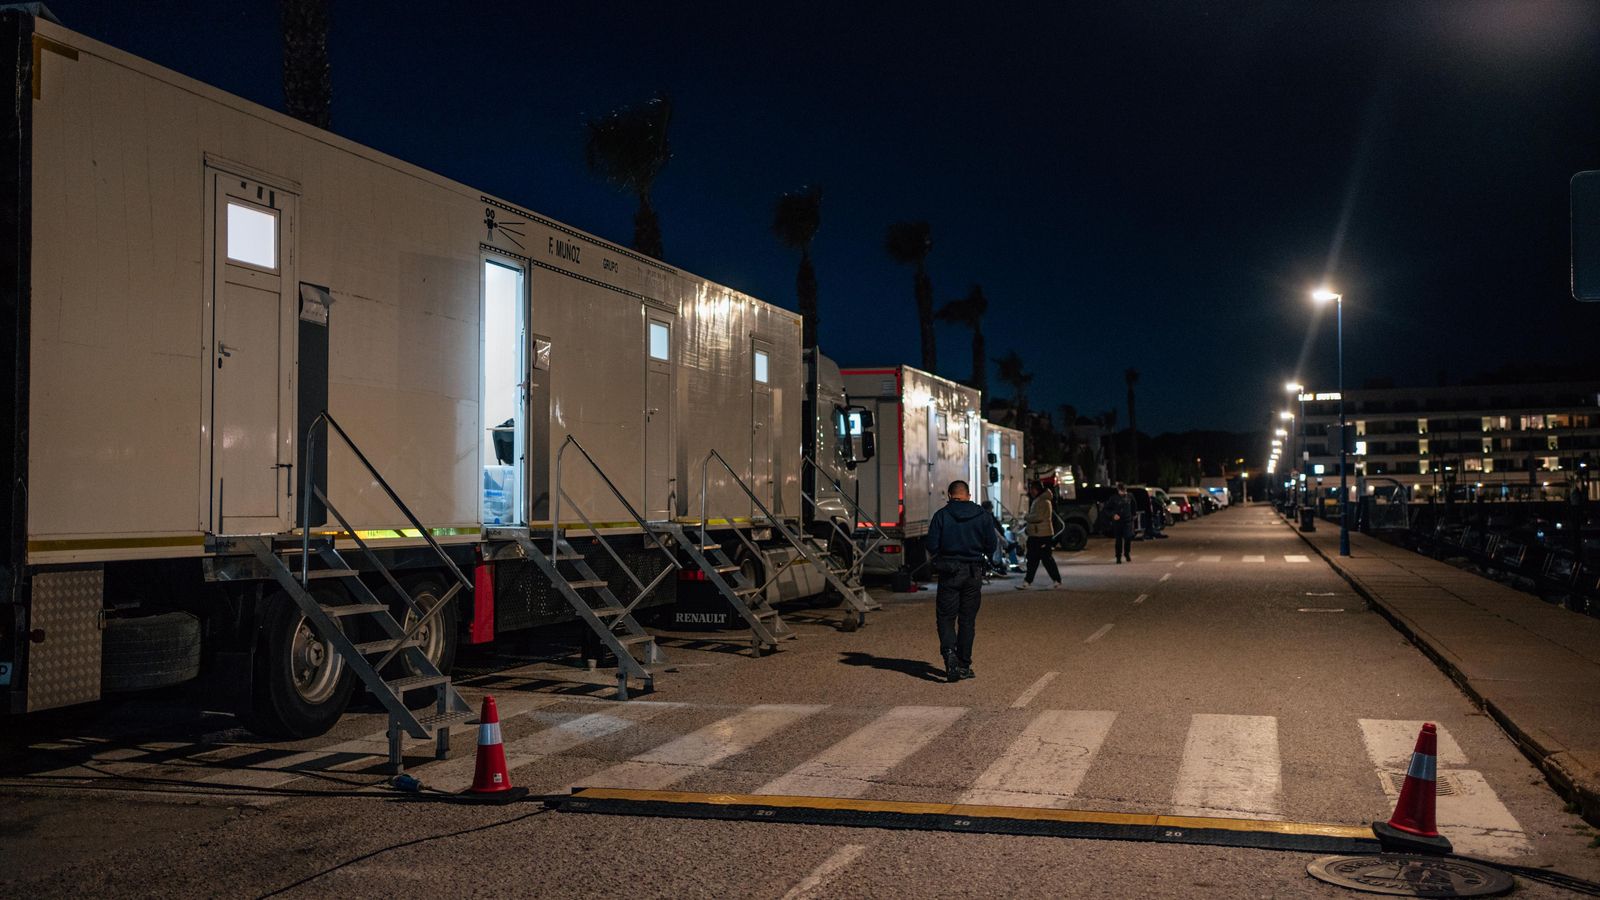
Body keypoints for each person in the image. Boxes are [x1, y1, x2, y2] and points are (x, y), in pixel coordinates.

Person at [926, 480, 997, 683]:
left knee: (946, 617)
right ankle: (964, 665)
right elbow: (991, 545)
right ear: (968, 495)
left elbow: (931, 544)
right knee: (967, 619)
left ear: (950, 496)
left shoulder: (941, 515)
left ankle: (949, 653)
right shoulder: (982, 515)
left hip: (949, 572)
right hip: (973, 572)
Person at [1016, 481, 1063, 590]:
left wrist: (1026, 517)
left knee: (1044, 559)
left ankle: (1055, 580)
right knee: (1034, 558)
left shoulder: (1043, 501)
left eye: (1032, 489)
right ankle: (1028, 581)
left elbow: (1038, 517)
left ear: (1036, 489)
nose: (1031, 491)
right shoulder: (1040, 500)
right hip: (1038, 534)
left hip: (1042, 535)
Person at [1104, 482, 1135, 563]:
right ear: (1118, 490)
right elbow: (1107, 509)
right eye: (1122, 490)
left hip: (1127, 521)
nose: (1124, 492)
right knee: (1118, 540)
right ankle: (1118, 556)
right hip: (1118, 522)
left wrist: (1133, 515)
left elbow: (1134, 506)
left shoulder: (1129, 496)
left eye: (1125, 490)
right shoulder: (1114, 498)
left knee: (1128, 537)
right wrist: (1113, 515)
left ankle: (1127, 553)